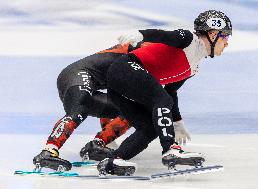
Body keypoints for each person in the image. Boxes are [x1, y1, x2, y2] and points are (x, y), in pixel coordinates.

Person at [92, 10, 232, 176]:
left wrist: (178, 123)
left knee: (149, 129)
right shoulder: (189, 39)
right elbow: (164, 35)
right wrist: (140, 34)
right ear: (212, 34)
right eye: (226, 37)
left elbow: (171, 91)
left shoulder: (194, 66)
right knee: (161, 99)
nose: (227, 44)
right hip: (125, 68)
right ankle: (170, 149)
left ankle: (113, 160)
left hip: (119, 85)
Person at [32, 43, 191, 171]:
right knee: (79, 107)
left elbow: (165, 93)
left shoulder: (155, 63)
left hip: (97, 84)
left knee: (132, 111)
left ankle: (98, 144)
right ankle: (48, 151)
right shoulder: (153, 49)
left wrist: (177, 120)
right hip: (78, 73)